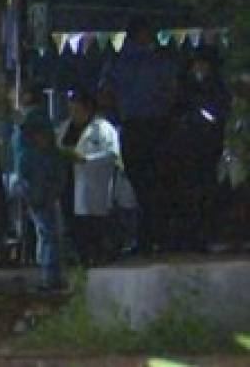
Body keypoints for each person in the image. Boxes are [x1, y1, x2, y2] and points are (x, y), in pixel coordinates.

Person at [99, 16, 178, 252]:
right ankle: (155, 235)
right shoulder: (157, 61)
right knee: (154, 184)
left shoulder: (117, 62)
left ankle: (147, 236)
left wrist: (116, 118)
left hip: (135, 125)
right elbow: (172, 90)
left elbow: (105, 94)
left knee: (142, 184)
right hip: (154, 125)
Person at [164, 47, 232, 251]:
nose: (199, 68)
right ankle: (189, 236)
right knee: (187, 191)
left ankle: (208, 234)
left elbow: (221, 109)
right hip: (186, 147)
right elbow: (175, 110)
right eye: (196, 64)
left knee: (208, 189)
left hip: (209, 145)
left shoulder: (216, 87)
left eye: (203, 64)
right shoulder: (184, 88)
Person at [57, 89, 122, 265]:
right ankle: (80, 257)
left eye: (77, 110)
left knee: (93, 223)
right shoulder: (65, 128)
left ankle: (97, 256)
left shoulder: (103, 128)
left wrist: (86, 160)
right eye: (70, 110)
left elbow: (112, 154)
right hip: (69, 182)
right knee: (72, 221)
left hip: (94, 184)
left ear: (88, 109)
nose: (73, 114)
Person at [13, 87, 69, 291]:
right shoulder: (40, 122)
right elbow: (48, 155)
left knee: (44, 231)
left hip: (32, 182)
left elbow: (24, 158)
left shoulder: (25, 124)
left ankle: (48, 274)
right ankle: (50, 276)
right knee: (50, 232)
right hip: (42, 183)